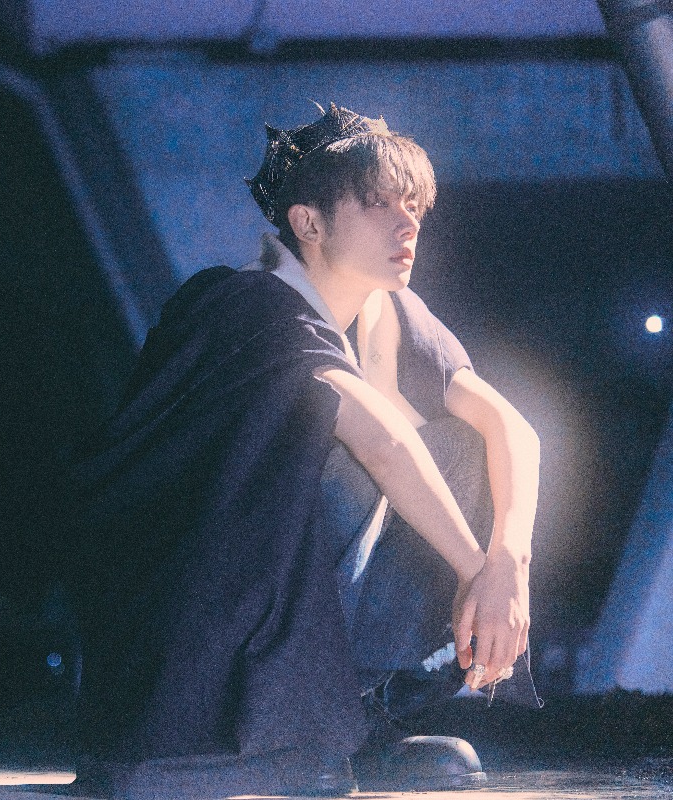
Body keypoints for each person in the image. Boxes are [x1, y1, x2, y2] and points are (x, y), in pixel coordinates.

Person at [69, 104, 540, 798]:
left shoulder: (387, 309)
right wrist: (476, 571)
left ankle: (360, 714)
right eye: (379, 205)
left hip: (269, 597)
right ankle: (269, 733)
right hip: (177, 624)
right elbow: (381, 438)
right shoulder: (246, 302)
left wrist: (507, 565)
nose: (408, 224)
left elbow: (511, 427)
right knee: (345, 444)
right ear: (309, 224)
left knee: (460, 445)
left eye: (413, 206)